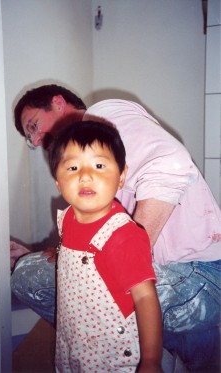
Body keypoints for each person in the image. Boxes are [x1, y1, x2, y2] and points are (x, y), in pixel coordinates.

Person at [11, 84, 221, 372]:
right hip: (183, 274)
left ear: (58, 103)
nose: (35, 140)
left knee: (29, 275)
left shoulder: (103, 116)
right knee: (41, 269)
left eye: (33, 125)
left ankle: (146, 356)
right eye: (29, 138)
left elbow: (171, 163)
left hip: (201, 274)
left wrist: (128, 250)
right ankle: (179, 353)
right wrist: (61, 254)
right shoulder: (90, 186)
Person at [48, 120, 163, 372]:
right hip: (73, 337)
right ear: (58, 180)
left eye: (99, 165)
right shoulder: (67, 217)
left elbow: (144, 297)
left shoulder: (123, 236)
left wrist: (151, 360)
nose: (86, 175)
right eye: (73, 167)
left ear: (121, 176)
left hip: (111, 352)